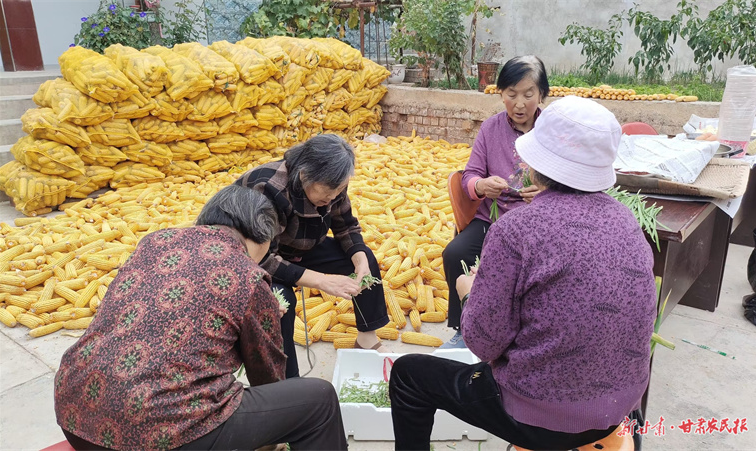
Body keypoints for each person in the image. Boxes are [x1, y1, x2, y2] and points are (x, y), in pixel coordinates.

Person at [389, 96, 656, 451]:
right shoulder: (625, 219)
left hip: (545, 418)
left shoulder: (515, 230)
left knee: (409, 376)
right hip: (623, 404)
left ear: (532, 165)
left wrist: (469, 292)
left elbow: (483, 344)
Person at [53, 185, 348, 450]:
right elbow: (267, 375)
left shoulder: (153, 243)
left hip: (75, 413)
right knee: (318, 399)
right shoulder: (248, 275)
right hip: (156, 434)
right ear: (261, 235)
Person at [236, 133, 390, 378]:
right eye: (327, 192)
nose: (331, 198)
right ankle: (288, 379)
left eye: (338, 190)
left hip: (301, 246)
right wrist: (322, 281)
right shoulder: (267, 188)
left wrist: (359, 258)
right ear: (304, 175)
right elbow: (263, 259)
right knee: (281, 299)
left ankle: (366, 339)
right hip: (256, 258)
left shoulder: (333, 182)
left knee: (366, 258)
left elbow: (345, 226)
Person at [441, 55, 549, 348]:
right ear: (501, 94)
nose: (519, 103)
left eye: (528, 94)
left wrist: (545, 192)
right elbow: (470, 175)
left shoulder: (551, 131)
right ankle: (464, 327)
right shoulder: (491, 129)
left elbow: (567, 181)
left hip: (537, 222)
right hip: (494, 218)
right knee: (455, 253)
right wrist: (481, 185)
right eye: (511, 94)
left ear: (541, 95)